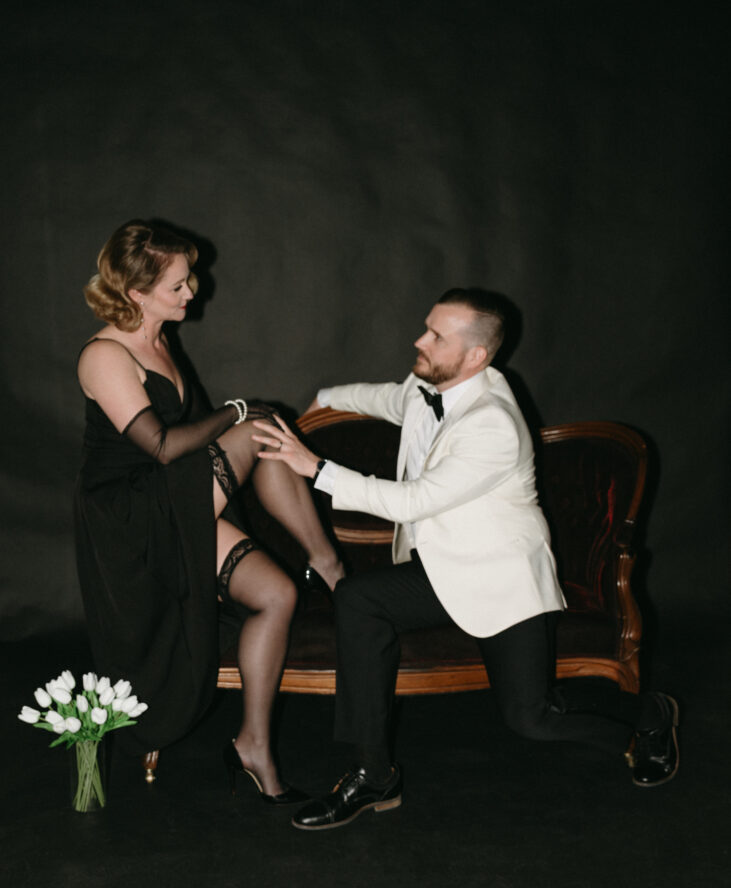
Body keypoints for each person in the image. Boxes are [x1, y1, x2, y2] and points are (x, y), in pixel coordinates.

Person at [252, 287, 680, 830]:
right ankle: (374, 774)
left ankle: (649, 717)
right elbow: (385, 398)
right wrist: (325, 398)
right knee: (359, 600)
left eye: (435, 336)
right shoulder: (428, 385)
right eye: (425, 327)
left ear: (476, 357)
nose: (418, 340)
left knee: (532, 718)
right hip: (438, 567)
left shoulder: (493, 424)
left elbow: (412, 500)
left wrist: (313, 467)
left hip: (498, 578)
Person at [74, 220, 344, 801]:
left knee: (277, 596)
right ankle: (329, 565)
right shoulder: (104, 356)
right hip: (130, 516)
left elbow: (180, 449)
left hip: (170, 494)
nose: (192, 291)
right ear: (135, 295)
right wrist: (235, 411)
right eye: (177, 285)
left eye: (187, 278)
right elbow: (163, 446)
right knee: (258, 426)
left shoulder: (160, 337)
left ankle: (252, 747)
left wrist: (240, 418)